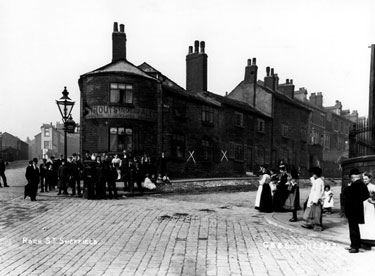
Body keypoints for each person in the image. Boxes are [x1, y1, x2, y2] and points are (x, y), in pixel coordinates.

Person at [343, 168, 370, 253]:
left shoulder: (354, 184)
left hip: (352, 210)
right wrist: (358, 201)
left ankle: (354, 247)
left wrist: (349, 186)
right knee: (355, 227)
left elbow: (346, 192)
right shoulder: (362, 184)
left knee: (353, 228)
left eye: (351, 177)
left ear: (352, 177)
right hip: (357, 208)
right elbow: (366, 195)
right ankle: (356, 244)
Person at [302, 167, 325, 231]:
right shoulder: (317, 180)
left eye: (313, 174)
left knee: (316, 214)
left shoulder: (319, 181)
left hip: (316, 200)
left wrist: (315, 200)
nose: (313, 175)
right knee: (312, 212)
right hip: (313, 198)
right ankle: (310, 223)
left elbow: (318, 192)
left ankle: (317, 226)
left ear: (316, 174)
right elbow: (312, 181)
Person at [359, 172, 375, 246]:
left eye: (366, 179)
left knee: (370, 220)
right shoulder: (361, 186)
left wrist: (372, 201)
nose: (364, 180)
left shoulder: (373, 187)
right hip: (363, 205)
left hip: (370, 206)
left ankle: (371, 238)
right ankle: (363, 238)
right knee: (363, 221)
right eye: (363, 179)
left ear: (370, 179)